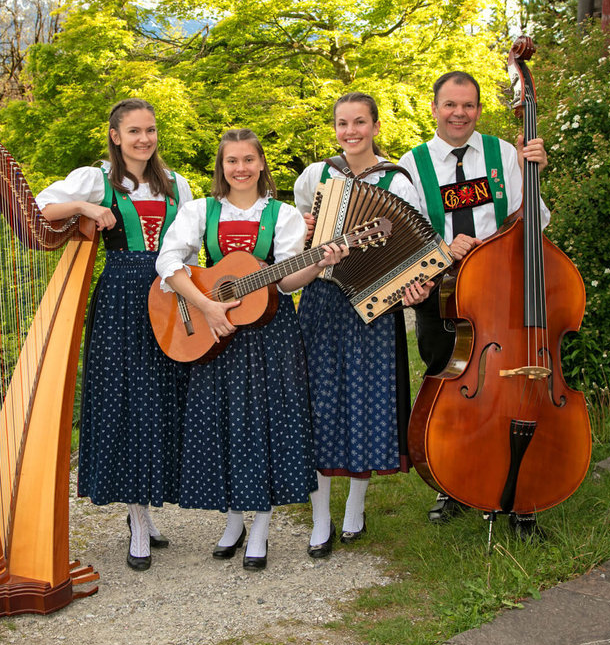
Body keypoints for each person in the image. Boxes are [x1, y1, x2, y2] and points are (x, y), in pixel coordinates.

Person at [155, 128, 347, 571]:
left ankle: (259, 527)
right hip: (215, 331)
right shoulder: (199, 211)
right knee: (223, 423)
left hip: (269, 334)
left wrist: (317, 262)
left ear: (262, 164)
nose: (240, 168)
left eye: (248, 160)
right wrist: (208, 305)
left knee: (264, 425)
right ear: (221, 168)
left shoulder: (281, 215)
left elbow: (285, 280)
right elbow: (168, 262)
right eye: (231, 161)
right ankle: (233, 521)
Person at [36, 98, 194, 570]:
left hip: (168, 291)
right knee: (128, 401)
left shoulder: (177, 185)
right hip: (121, 300)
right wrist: (85, 205)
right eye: (133, 132)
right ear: (116, 136)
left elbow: (187, 240)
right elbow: (43, 207)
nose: (143, 139)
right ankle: (138, 520)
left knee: (166, 397)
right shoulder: (97, 179)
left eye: (150, 130)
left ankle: (148, 503)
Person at [398, 71, 549, 538]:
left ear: (479, 110)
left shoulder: (506, 155)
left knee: (513, 386)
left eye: (468, 105)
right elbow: (404, 238)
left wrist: (535, 176)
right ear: (434, 108)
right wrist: (445, 250)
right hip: (445, 292)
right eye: (450, 105)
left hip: (504, 291)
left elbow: (536, 222)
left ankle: (522, 487)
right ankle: (458, 484)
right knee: (453, 385)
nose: (459, 113)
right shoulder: (413, 163)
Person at [294, 92, 426, 557]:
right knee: (318, 404)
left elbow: (417, 249)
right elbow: (297, 240)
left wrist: (415, 287)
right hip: (323, 297)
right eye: (342, 124)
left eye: (359, 123)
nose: (350, 132)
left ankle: (355, 506)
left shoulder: (398, 180)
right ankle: (320, 518)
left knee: (366, 405)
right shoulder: (317, 174)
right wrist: (307, 231)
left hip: (374, 304)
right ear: (334, 128)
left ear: (374, 125)